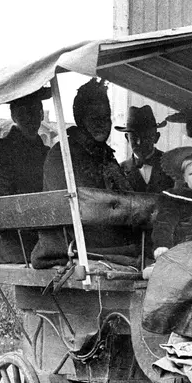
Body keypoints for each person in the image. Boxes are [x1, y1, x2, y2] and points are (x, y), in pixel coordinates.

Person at [34, 78, 136, 267]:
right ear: (81, 119)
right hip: (73, 244)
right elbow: (77, 210)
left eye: (106, 118)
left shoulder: (104, 154)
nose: (102, 124)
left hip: (103, 240)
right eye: (94, 118)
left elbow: (125, 196)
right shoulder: (63, 154)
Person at [0, 86, 51, 262]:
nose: (31, 117)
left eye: (36, 110)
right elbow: (1, 199)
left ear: (42, 115)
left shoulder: (47, 153)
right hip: (14, 240)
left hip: (45, 235)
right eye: (24, 111)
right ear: (14, 116)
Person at [117, 105, 174, 194]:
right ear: (127, 139)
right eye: (134, 138)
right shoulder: (119, 171)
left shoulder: (172, 166)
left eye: (145, 137)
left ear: (156, 137)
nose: (139, 142)